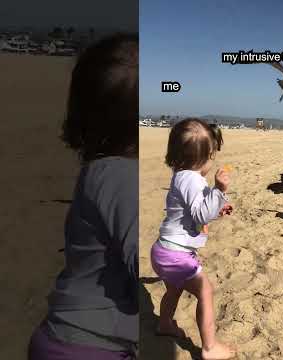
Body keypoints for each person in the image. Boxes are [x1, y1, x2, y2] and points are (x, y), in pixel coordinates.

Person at [28, 33, 139, 360]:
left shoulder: (101, 169)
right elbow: (143, 263)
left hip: (68, 335)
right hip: (91, 346)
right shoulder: (121, 176)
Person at [150, 118, 236, 360]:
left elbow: (196, 211)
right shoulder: (192, 179)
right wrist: (219, 190)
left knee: (175, 289)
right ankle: (209, 347)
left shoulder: (181, 175)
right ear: (208, 156)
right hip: (176, 254)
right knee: (205, 291)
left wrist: (217, 208)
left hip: (164, 250)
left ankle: (165, 323)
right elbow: (200, 213)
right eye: (213, 156)